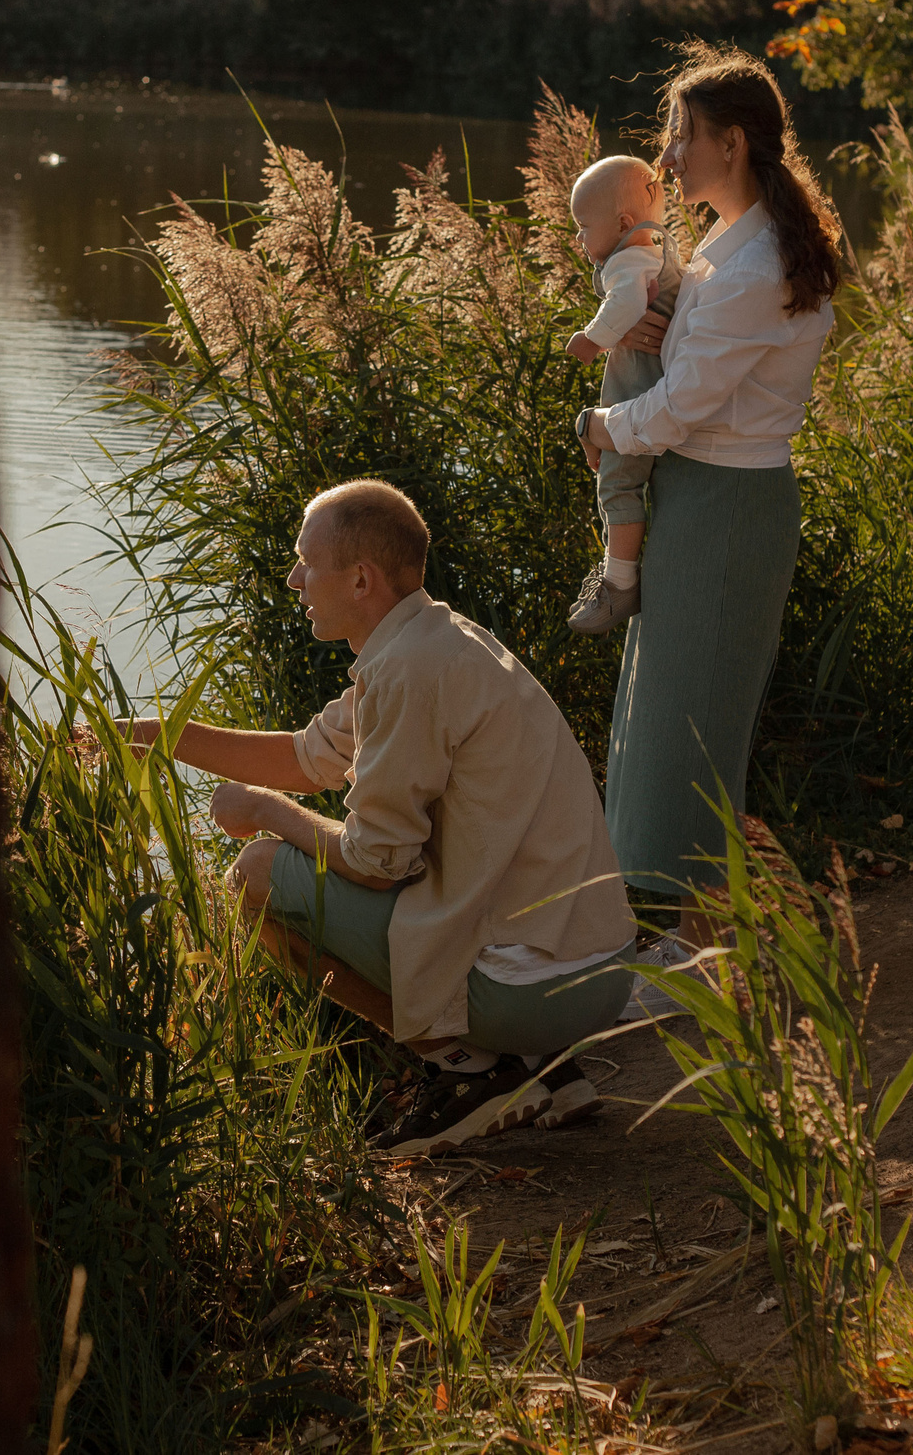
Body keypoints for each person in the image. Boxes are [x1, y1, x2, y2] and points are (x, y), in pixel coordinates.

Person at [118, 479, 637, 1155]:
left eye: (307, 560)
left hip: (535, 989)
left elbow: (373, 862)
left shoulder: (407, 671)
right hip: (597, 972)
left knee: (254, 876)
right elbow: (309, 757)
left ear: (360, 580)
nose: (294, 577)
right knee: (324, 871)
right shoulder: (435, 639)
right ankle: (543, 1065)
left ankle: (467, 1071)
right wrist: (156, 733)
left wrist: (264, 811)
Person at [574, 46, 843, 1003]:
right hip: (701, 502)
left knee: (693, 725)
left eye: (684, 136)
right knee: (664, 721)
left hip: (729, 509)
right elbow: (696, 353)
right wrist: (655, 313)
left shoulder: (753, 263)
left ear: (733, 142)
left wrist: (607, 427)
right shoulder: (730, 251)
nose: (669, 153)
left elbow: (686, 407)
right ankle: (685, 944)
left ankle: (694, 958)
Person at [561, 154, 686, 636]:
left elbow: (628, 302)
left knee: (616, 481)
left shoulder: (628, 260)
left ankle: (619, 582)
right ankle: (621, 574)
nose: (579, 239)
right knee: (619, 473)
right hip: (648, 383)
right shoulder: (655, 245)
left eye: (583, 227)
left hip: (639, 393)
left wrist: (592, 338)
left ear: (623, 223)